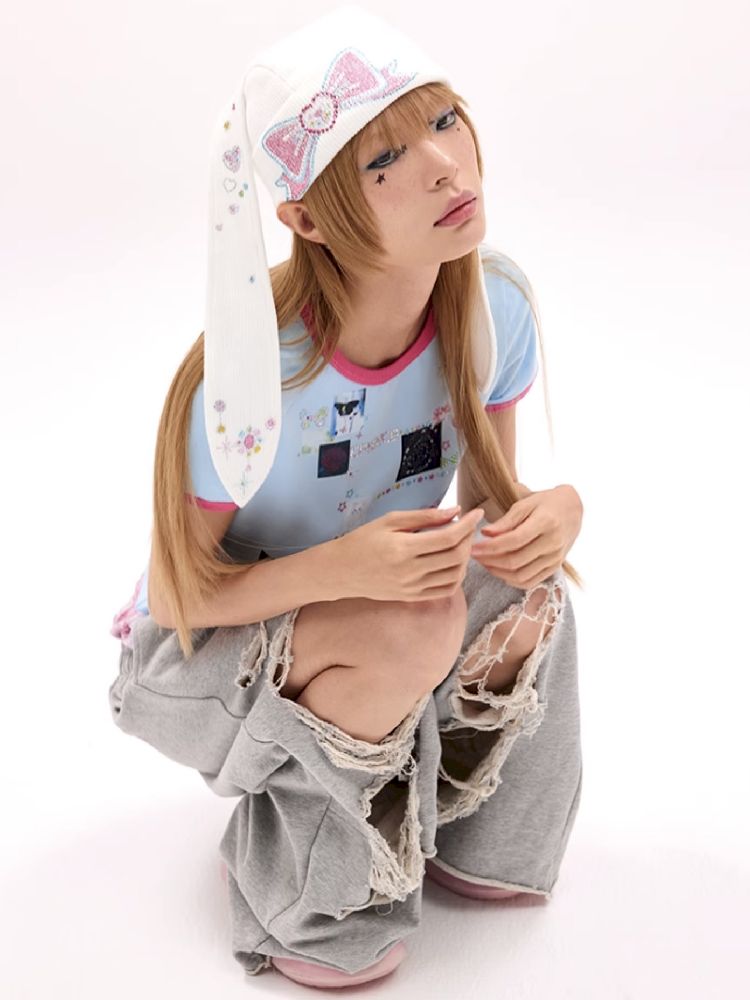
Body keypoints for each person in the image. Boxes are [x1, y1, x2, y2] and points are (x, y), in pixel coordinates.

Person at [108, 3, 585, 989]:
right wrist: (344, 570)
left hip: (361, 598)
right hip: (194, 654)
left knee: (532, 593)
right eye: (384, 161)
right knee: (410, 623)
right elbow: (182, 595)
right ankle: (306, 897)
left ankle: (467, 830)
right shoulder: (252, 376)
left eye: (445, 121)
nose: (445, 166)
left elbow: (492, 512)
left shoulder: (490, 306)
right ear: (309, 219)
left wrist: (551, 514)